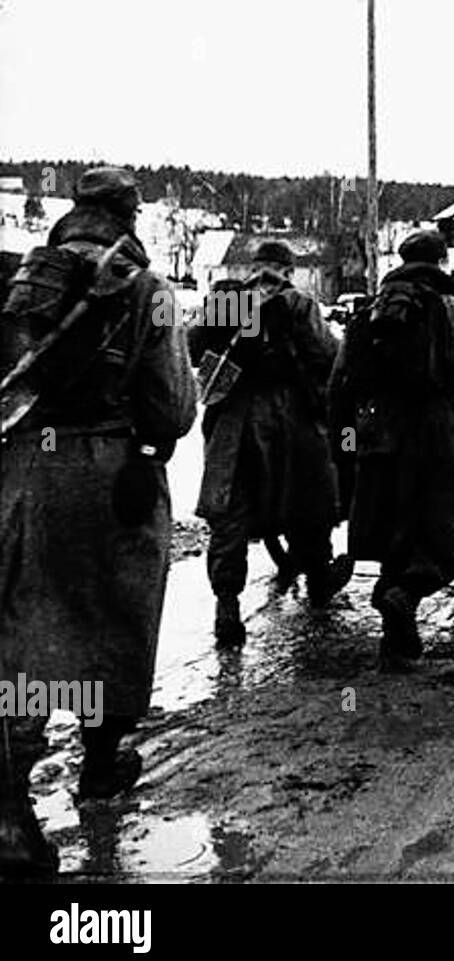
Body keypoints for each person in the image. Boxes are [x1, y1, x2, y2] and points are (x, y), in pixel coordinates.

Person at [0, 167, 197, 878]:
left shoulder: (24, 281)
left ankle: (11, 806)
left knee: (25, 633)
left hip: (21, 474)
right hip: (110, 479)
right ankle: (101, 762)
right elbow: (173, 408)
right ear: (128, 215)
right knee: (109, 626)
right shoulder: (146, 289)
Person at [329, 231, 454, 671]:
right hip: (438, 435)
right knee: (446, 536)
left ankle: (394, 638)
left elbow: (338, 386)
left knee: (394, 528)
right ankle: (405, 595)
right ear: (442, 261)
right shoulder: (452, 310)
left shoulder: (368, 313)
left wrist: (343, 445)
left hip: (376, 434)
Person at [192, 240, 353, 645]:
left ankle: (226, 605)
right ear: (288, 269)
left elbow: (195, 345)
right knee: (307, 498)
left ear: (255, 266)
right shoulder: (298, 304)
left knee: (232, 509)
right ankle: (319, 579)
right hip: (290, 418)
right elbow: (329, 355)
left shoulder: (230, 299)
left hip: (233, 420)